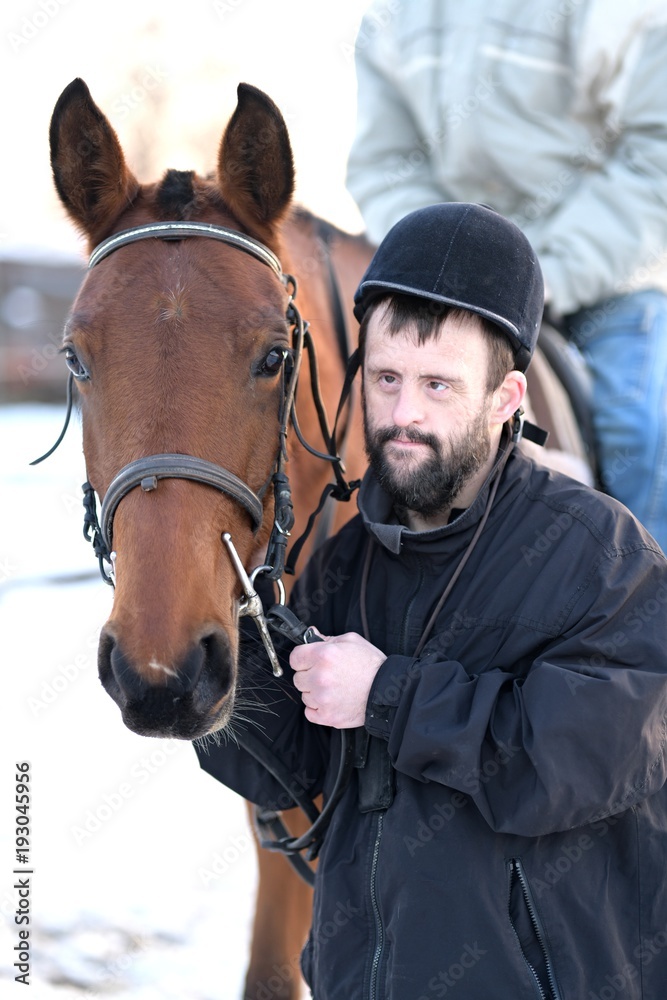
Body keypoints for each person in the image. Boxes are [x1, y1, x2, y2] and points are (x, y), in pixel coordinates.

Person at [196, 203, 667, 1000]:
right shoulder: (345, 567)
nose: (404, 416)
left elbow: (558, 763)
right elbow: (298, 771)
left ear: (507, 396)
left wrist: (386, 694)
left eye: (438, 385)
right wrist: (206, 670)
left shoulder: (601, 557)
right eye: (386, 379)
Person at [345, 1, 667, 552]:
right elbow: (385, 163)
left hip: (602, 278)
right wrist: (448, 257)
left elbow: (655, 152)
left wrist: (539, 274)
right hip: (452, 287)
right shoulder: (395, 15)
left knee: (645, 431)